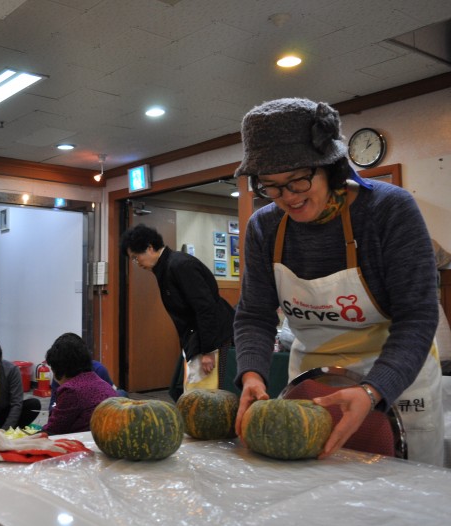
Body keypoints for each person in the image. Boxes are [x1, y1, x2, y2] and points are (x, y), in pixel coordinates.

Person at [232, 97, 444, 466]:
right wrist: (252, 374)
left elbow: (418, 316)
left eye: (298, 180)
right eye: (272, 187)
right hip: (315, 385)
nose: (288, 198)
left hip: (397, 377)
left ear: (329, 166)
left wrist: (373, 389)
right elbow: (254, 314)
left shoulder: (387, 210)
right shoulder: (264, 227)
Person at [120, 224, 235, 401]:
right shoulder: (165, 267)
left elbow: (205, 308)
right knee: (192, 395)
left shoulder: (180, 265)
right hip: (195, 339)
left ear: (150, 248)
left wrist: (208, 350)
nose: (137, 263)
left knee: (204, 400)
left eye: (136, 257)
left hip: (212, 339)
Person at [43, 333, 119, 435]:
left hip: (87, 445)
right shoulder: (100, 381)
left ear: (59, 367)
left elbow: (52, 430)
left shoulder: (70, 390)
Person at [49, 357, 125, 411]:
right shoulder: (60, 373)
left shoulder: (99, 369)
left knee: (121, 394)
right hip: (69, 410)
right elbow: (53, 404)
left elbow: (112, 395)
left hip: (99, 407)